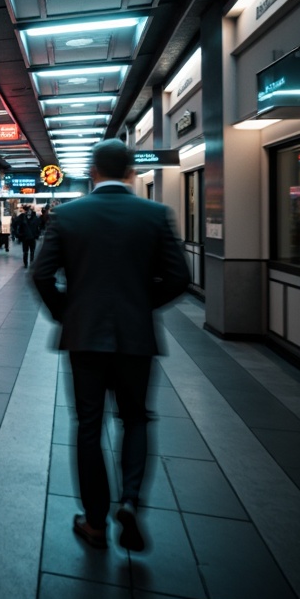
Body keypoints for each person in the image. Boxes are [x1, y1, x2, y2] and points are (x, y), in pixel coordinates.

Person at [31, 140, 190, 553]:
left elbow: (41, 275)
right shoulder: (156, 214)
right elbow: (178, 278)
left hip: (85, 338)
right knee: (136, 419)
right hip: (136, 339)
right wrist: (141, 306)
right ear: (132, 173)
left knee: (88, 425)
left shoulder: (67, 215)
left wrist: (68, 312)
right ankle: (132, 500)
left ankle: (96, 522)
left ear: (93, 173)